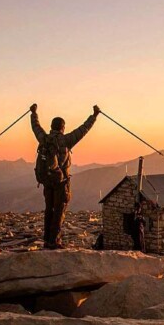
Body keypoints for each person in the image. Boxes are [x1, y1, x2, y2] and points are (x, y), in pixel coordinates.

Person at [30, 103, 100, 249]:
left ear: (51, 126)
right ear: (62, 127)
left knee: (49, 209)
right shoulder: (66, 140)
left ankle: (47, 240)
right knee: (59, 210)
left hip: (47, 181)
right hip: (61, 182)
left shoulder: (44, 139)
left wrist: (34, 113)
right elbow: (83, 129)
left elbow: (35, 127)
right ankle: (54, 241)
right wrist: (94, 116)